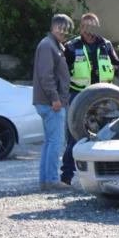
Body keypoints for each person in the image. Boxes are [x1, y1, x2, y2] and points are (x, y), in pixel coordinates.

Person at [60, 13, 119, 185]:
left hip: (102, 97)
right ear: (81, 28)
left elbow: (117, 64)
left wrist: (110, 69)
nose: (90, 31)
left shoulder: (106, 45)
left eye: (93, 26)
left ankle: (108, 176)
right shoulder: (71, 46)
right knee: (74, 136)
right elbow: (61, 71)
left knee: (107, 135)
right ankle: (66, 176)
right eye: (86, 27)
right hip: (78, 95)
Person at [33, 14, 73, 191]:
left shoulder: (52, 45)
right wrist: (55, 98)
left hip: (49, 101)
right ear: (56, 28)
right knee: (56, 141)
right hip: (51, 103)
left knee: (50, 142)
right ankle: (51, 180)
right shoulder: (48, 46)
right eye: (64, 29)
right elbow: (46, 75)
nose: (67, 34)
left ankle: (46, 180)